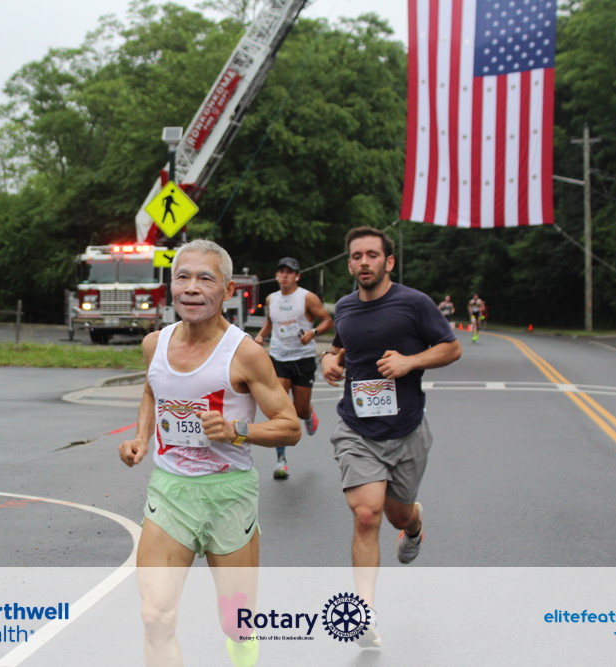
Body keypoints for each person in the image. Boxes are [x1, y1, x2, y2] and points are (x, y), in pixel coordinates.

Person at [119, 239, 301, 666]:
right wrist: (142, 438)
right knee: (155, 616)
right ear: (171, 286)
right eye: (182, 277)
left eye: (205, 279)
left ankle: (242, 647)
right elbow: (152, 390)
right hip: (170, 492)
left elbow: (290, 426)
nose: (191, 288)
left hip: (229, 495)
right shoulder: (155, 344)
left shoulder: (245, 353)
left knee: (236, 622)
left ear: (228, 289)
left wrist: (237, 430)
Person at [321, 227, 461, 648]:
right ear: (350, 264)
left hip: (406, 430)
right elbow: (341, 345)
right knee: (367, 514)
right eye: (356, 256)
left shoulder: (414, 303)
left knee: (397, 516)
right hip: (357, 429)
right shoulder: (345, 307)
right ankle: (364, 616)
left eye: (372, 255)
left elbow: (451, 348)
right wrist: (329, 359)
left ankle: (414, 524)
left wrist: (410, 361)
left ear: (388, 261)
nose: (364, 262)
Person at [254, 257, 333, 479]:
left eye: (289, 272)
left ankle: (308, 413)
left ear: (297, 276)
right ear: (277, 275)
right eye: (281, 272)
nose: (285, 276)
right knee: (280, 410)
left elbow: (327, 320)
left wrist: (313, 332)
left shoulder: (307, 297)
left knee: (299, 409)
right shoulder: (271, 299)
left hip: (303, 358)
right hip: (279, 357)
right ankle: (281, 461)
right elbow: (270, 322)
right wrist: (261, 336)